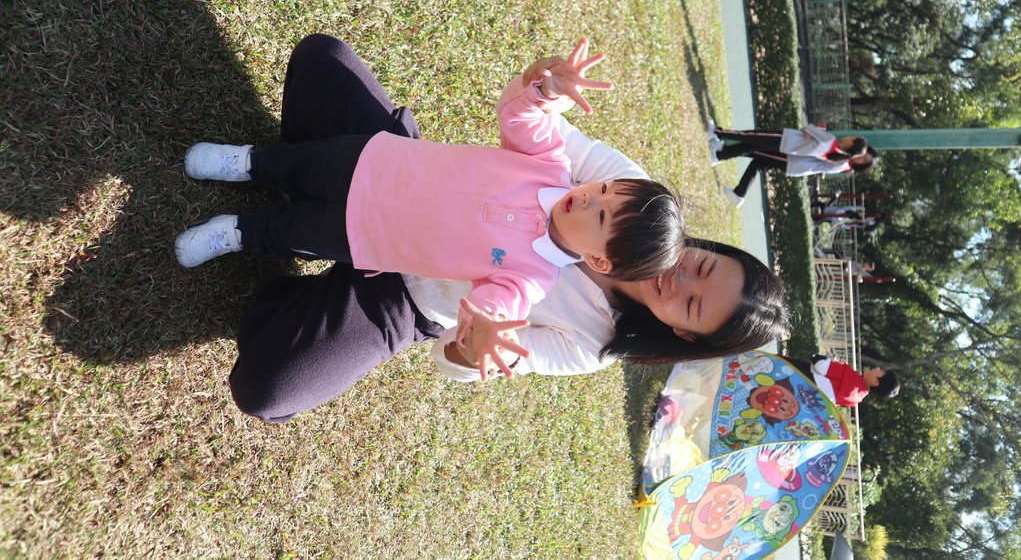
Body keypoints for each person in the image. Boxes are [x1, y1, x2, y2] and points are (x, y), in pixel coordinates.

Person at [217, 35, 791, 423]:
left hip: (403, 298)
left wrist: (472, 350)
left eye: (691, 304)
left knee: (267, 391)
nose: (677, 280)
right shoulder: (633, 196)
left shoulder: (593, 345)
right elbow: (546, 134)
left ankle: (293, 273)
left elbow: (455, 361)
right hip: (408, 195)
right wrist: (546, 88)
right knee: (322, 60)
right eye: (701, 266)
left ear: (683, 335)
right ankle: (311, 187)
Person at [176, 42, 686, 377]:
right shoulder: (550, 164)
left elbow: (494, 306)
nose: (590, 197)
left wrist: (484, 330)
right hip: (374, 162)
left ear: (599, 260)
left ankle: (237, 232)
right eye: (604, 189)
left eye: (601, 217)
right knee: (297, 164)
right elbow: (521, 117)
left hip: (363, 235)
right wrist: (544, 89)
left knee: (292, 232)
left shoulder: (532, 280)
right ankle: (247, 162)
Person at [708, 122, 879, 207]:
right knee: (756, 157)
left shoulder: (837, 155)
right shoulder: (839, 157)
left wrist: (816, 130)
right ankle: (722, 156)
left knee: (753, 142)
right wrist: (815, 133)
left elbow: (810, 130)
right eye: (863, 156)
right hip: (792, 157)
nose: (860, 158)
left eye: (863, 159)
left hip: (790, 154)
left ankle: (718, 139)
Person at [782, 354, 900, 407]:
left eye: (881, 371)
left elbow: (820, 365)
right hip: (793, 398)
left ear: (876, 382)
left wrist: (825, 358)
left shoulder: (852, 378)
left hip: (791, 375)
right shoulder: (856, 400)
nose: (878, 368)